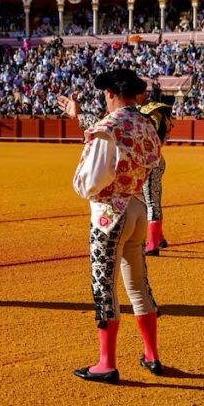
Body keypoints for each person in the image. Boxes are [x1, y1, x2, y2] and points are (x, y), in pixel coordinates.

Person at [58, 69, 163, 384]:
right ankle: (152, 355)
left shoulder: (107, 128)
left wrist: (85, 189)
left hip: (109, 213)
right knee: (138, 285)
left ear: (109, 93)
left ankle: (106, 363)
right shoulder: (146, 124)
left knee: (104, 286)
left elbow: (91, 179)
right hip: (137, 207)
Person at [137, 86, 174, 255]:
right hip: (156, 158)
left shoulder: (146, 111)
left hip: (149, 160)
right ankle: (159, 238)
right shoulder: (162, 112)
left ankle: (152, 245)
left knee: (151, 201)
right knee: (148, 199)